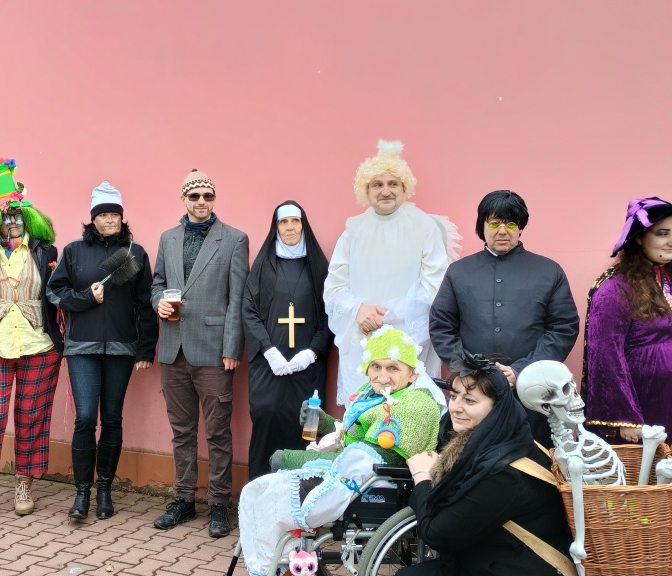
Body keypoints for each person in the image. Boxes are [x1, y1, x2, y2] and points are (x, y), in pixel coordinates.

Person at [237, 326, 442, 576]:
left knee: (265, 496)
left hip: (371, 484)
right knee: (259, 492)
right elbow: (353, 437)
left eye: (393, 368)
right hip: (354, 475)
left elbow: (369, 456)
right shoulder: (373, 396)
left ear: (412, 374)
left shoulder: (413, 406)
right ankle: (284, 565)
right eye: (376, 366)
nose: (383, 376)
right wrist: (324, 422)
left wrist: (297, 458)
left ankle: (274, 568)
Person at [583, 196, 672, 553]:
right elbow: (604, 354)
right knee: (660, 472)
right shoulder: (614, 288)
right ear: (639, 237)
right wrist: (624, 417)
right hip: (652, 401)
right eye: (662, 233)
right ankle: (651, 554)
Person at [430, 190, 579, 446]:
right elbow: (441, 326)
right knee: (471, 458)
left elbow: (563, 328)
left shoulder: (549, 271)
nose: (502, 231)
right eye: (494, 223)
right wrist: (469, 370)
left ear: (520, 228)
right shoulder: (458, 272)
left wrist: (521, 371)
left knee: (531, 461)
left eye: (510, 224)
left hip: (531, 394)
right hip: (473, 392)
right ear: (482, 226)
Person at [0, 157, 63, 523]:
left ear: (28, 217)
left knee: (32, 418)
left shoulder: (45, 252)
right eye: (5, 217)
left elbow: (59, 293)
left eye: (18, 215)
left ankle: (24, 484)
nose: (12, 222)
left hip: (39, 346)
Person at [47, 181, 158, 520]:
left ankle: (105, 490)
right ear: (92, 219)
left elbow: (145, 304)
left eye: (114, 215)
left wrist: (145, 349)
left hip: (122, 348)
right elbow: (55, 292)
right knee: (85, 417)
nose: (109, 220)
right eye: (103, 215)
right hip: (82, 347)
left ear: (121, 218)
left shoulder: (135, 253)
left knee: (112, 418)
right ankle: (82, 492)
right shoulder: (73, 251)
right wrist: (86, 298)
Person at [403, 355, 573, 575]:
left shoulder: (503, 475)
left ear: (496, 408)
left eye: (470, 401)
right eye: (453, 396)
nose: (455, 408)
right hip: (496, 556)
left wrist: (422, 477)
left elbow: (436, 534)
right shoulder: (509, 441)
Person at [150, 168, 249, 538]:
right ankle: (184, 499)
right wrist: (158, 302)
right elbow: (158, 283)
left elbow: (237, 298)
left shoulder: (234, 239)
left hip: (213, 351)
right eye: (195, 196)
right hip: (173, 348)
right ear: (184, 200)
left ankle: (219, 503)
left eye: (208, 195)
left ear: (214, 199)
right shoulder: (168, 238)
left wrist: (232, 348)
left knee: (218, 433)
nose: (202, 202)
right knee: (182, 431)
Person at [324, 140, 455, 408]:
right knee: (365, 416)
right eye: (377, 184)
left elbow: (435, 285)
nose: (385, 191)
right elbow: (334, 286)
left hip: (408, 338)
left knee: (408, 414)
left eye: (393, 183)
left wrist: (388, 316)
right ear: (366, 190)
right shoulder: (353, 230)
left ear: (404, 188)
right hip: (363, 337)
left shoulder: (424, 227)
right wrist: (358, 310)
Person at [242, 200, 332, 480]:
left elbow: (332, 313)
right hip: (269, 365)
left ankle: (301, 495)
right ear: (276, 227)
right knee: (266, 415)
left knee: (305, 424)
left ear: (303, 226)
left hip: (307, 369)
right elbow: (248, 310)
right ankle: (259, 489)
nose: (290, 227)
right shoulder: (262, 266)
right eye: (283, 222)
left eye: (295, 221)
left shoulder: (319, 267)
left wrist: (312, 353)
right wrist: (268, 350)